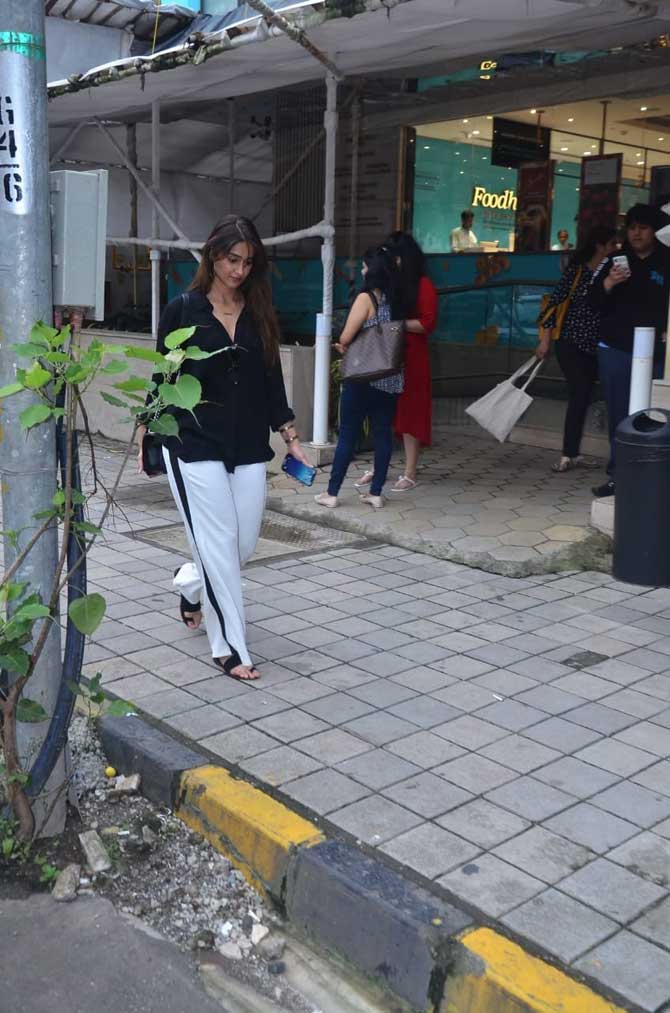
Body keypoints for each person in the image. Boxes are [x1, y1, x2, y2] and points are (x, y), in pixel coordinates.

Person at [137, 215, 311, 681]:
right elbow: (164, 378)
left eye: (247, 262)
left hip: (248, 444)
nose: (239, 270)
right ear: (214, 255)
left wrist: (291, 440)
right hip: (192, 442)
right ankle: (231, 647)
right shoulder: (183, 310)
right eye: (233, 259)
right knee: (217, 544)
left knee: (243, 545)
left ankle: (190, 584)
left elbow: (272, 383)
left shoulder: (257, 313)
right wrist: (148, 434)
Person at [589, 203, 670, 497]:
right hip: (616, 349)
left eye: (643, 227)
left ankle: (652, 476)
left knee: (656, 416)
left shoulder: (666, 260)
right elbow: (590, 299)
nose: (636, 233)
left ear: (655, 231)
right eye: (632, 227)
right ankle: (619, 475)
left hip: (658, 354)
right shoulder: (614, 259)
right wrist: (609, 282)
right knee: (620, 415)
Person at [315, 246, 403, 511]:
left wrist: (343, 345)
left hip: (362, 376)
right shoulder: (397, 299)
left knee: (348, 435)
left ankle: (331, 493)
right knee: (382, 435)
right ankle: (375, 493)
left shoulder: (366, 299)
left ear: (372, 270)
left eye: (365, 266)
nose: (363, 270)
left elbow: (345, 336)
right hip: (389, 376)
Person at [356, 232, 438, 492]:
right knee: (384, 412)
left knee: (410, 412)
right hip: (388, 354)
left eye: (395, 258)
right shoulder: (391, 283)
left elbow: (427, 323)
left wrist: (395, 325)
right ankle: (379, 466)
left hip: (412, 356)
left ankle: (410, 471)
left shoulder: (423, 285)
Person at [537, 225, 618, 473]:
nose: (616, 249)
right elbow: (554, 304)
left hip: (596, 347)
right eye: (612, 244)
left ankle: (572, 452)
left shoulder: (610, 272)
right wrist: (545, 340)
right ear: (600, 246)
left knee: (584, 397)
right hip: (570, 343)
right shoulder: (577, 272)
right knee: (579, 394)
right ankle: (568, 453)